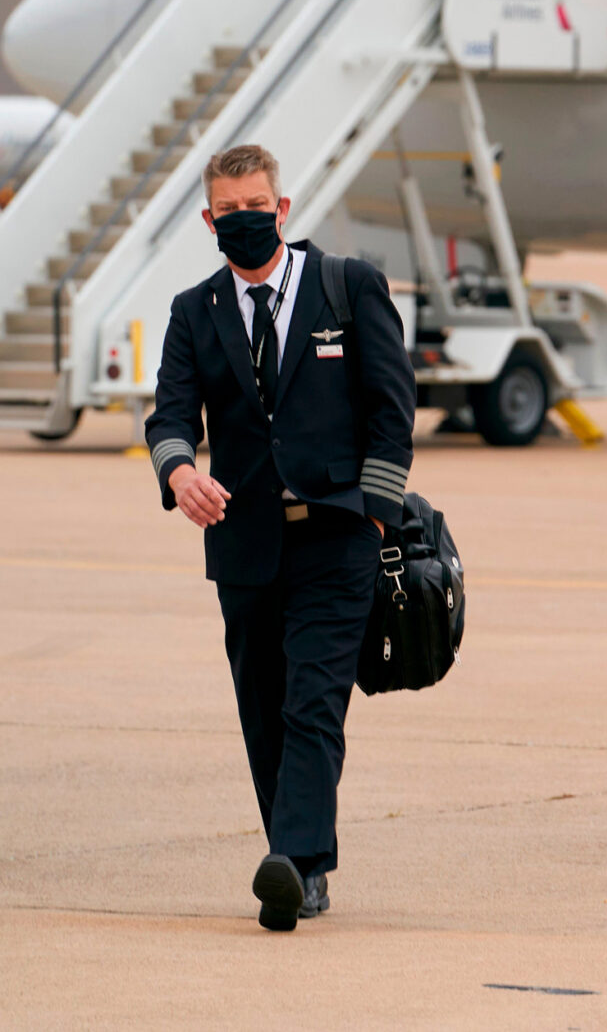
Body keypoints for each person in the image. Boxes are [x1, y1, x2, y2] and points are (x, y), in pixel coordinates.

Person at [144, 144, 414, 931]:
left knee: (312, 703)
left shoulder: (348, 285)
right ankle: (303, 863)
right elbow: (169, 415)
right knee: (263, 707)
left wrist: (373, 515)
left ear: (284, 208)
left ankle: (293, 861)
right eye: (228, 211)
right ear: (208, 220)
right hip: (244, 542)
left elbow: (392, 413)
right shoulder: (196, 311)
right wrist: (178, 473)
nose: (245, 220)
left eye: (256, 205)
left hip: (337, 536)